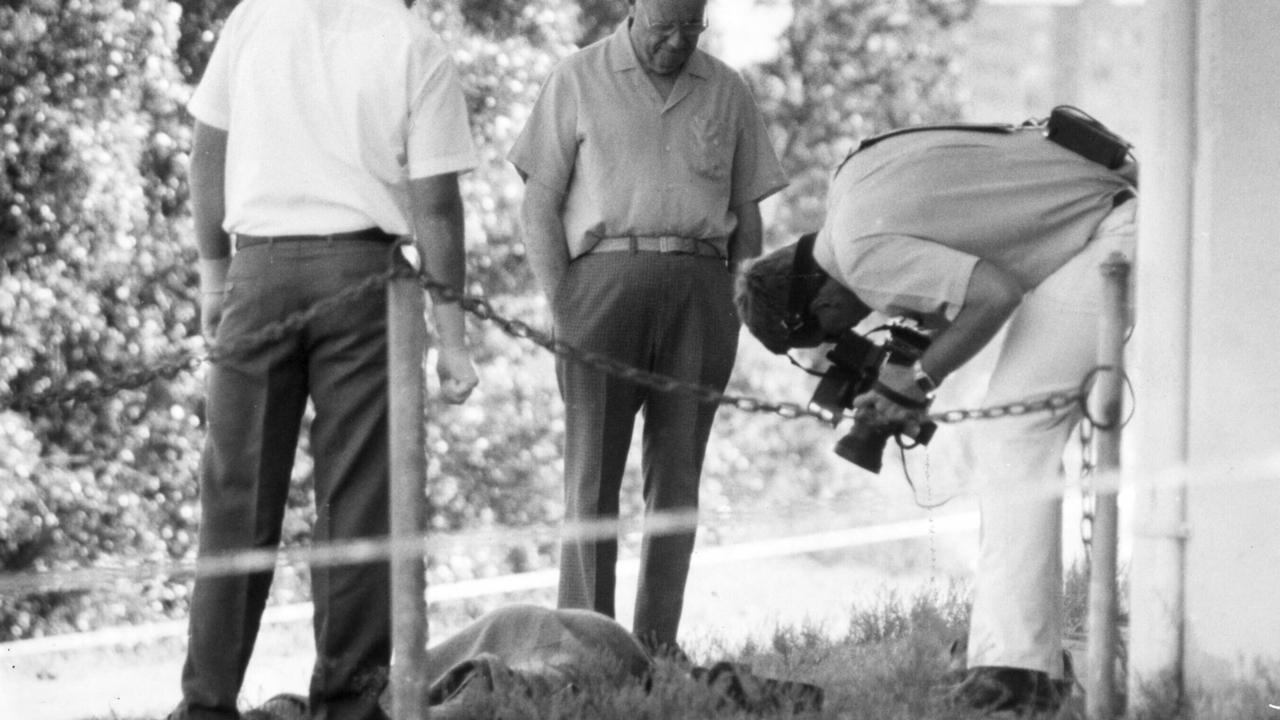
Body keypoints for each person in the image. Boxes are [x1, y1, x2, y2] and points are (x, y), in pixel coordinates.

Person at [734, 119, 1137, 716]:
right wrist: (912, 368)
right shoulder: (850, 186)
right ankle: (1017, 659)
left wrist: (917, 379)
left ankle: (1018, 675)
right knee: (1006, 439)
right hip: (1102, 206)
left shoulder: (863, 260)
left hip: (1110, 231)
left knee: (1011, 435)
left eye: (830, 330)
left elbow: (994, 295)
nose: (852, 329)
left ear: (816, 301)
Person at [175, 1, 479, 718]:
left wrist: (214, 276)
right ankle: (348, 703)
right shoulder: (413, 41)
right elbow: (436, 203)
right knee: (357, 501)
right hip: (360, 275)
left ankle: (205, 705)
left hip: (259, 271)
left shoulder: (255, 17)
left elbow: (205, 148)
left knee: (233, 500)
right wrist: (453, 335)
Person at [507, 0, 787, 655]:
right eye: (665, 28)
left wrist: (738, 300)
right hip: (600, 287)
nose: (677, 42)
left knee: (679, 478)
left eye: (692, 28)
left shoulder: (728, 87)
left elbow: (748, 216)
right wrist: (563, 302)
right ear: (634, 9)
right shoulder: (577, 76)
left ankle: (656, 646)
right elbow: (539, 203)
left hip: (701, 289)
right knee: (591, 476)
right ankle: (584, 646)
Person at [241, 604, 823, 720]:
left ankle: (711, 692)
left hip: (556, 646)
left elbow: (484, 679)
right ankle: (709, 692)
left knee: (493, 689)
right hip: (575, 643)